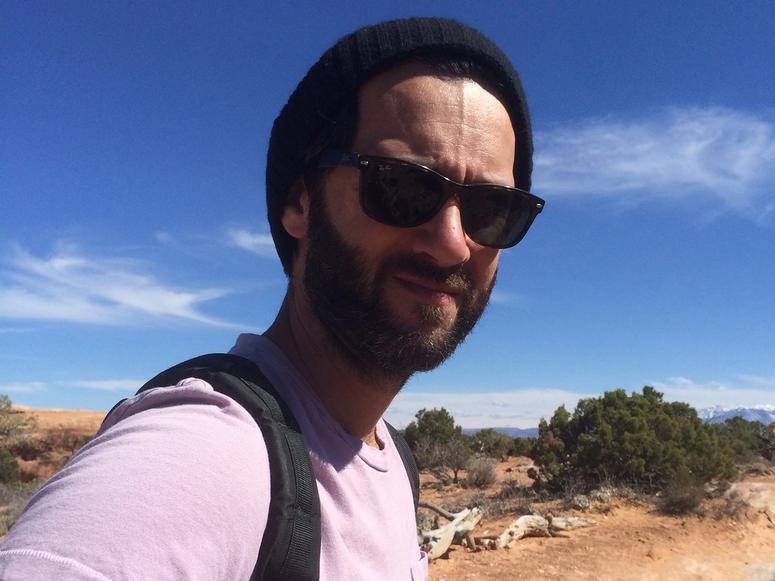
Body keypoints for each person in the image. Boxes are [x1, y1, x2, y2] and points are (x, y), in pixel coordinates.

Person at [0, 17, 543, 580]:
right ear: (301, 204)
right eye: (402, 186)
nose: (453, 244)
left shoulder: (392, 459)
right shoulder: (206, 452)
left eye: (491, 211)